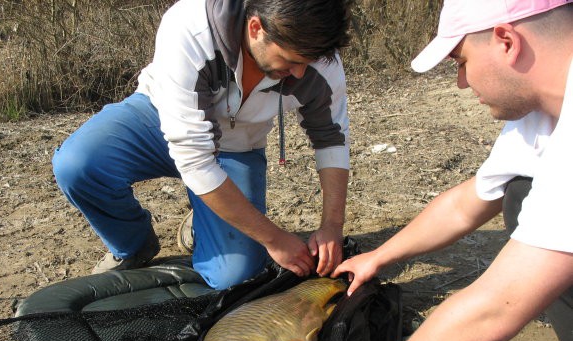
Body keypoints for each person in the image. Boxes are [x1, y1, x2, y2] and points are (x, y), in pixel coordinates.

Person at [274, 0, 573, 341]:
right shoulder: (544, 109)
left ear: (507, 41)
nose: (461, 83)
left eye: (462, 62)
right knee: (519, 194)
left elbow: (495, 309)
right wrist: (379, 257)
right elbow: (469, 201)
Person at [52, 0, 352, 290]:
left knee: (234, 277)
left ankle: (207, 216)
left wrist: (332, 226)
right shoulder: (191, 27)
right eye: (291, 61)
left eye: (307, 63)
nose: (299, 73)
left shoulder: (319, 61)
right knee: (78, 165)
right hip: (156, 120)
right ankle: (132, 245)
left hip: (237, 148)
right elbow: (196, 162)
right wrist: (273, 238)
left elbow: (332, 141)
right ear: (256, 27)